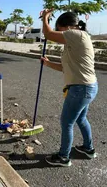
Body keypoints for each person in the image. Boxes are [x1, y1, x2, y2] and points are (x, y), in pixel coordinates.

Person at [41, 9, 98, 167]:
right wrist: (47, 63)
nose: (59, 34)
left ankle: (63, 157)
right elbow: (66, 68)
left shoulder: (76, 34)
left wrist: (45, 18)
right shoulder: (76, 40)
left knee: (67, 123)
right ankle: (88, 148)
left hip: (81, 89)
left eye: (59, 29)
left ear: (65, 26)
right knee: (80, 118)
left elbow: (48, 34)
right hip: (87, 87)